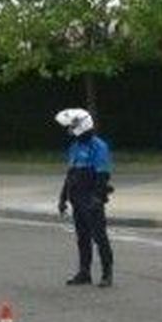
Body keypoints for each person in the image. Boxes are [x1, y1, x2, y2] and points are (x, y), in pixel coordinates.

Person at [55, 108, 114, 288]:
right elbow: (70, 174)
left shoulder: (99, 146)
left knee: (99, 237)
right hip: (77, 199)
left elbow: (103, 175)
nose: (70, 130)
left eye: (73, 126)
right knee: (82, 237)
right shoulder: (75, 147)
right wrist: (63, 198)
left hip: (91, 199)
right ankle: (84, 272)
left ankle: (107, 273)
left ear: (82, 126)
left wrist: (97, 197)